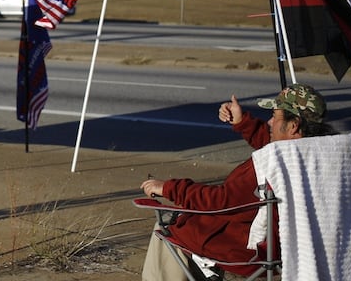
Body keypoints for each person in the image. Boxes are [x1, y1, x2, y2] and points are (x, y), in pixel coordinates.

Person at [140, 84, 335, 281]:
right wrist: (243, 122)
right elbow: (274, 145)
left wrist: (169, 188)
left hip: (249, 249)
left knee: (168, 225)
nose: (269, 122)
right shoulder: (318, 158)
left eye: (275, 116)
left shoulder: (270, 167)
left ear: (293, 126)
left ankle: (197, 266)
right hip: (295, 247)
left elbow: (221, 202)